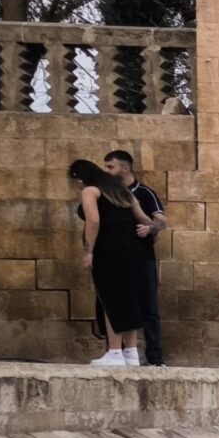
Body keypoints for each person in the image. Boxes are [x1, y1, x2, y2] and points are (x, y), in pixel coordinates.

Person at [69, 158, 149, 365]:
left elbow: (94, 220)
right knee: (130, 299)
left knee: (111, 299)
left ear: (79, 179)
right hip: (133, 249)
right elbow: (144, 219)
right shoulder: (123, 192)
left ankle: (114, 353)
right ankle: (131, 353)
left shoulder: (90, 191)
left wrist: (89, 251)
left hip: (109, 249)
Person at [102, 149, 167, 364]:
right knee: (117, 304)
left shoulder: (144, 193)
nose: (107, 171)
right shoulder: (107, 193)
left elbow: (161, 221)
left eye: (111, 167)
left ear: (125, 168)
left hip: (143, 258)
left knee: (148, 307)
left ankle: (155, 359)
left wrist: (150, 229)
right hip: (117, 259)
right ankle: (118, 354)